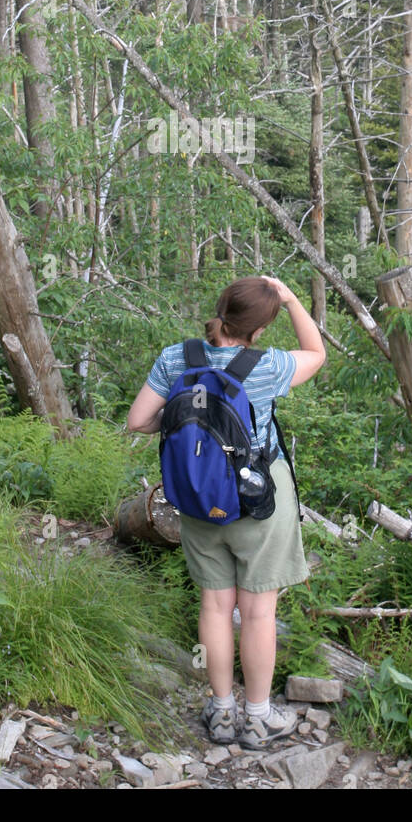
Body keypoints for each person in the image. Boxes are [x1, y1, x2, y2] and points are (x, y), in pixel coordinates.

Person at [126, 274, 326, 749]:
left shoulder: (179, 357)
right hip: (258, 498)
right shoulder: (266, 364)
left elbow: (137, 421)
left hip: (197, 494)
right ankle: (257, 720)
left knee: (215, 605)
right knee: (257, 613)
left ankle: (220, 713)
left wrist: (185, 429)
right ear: (259, 330)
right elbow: (316, 354)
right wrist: (293, 298)